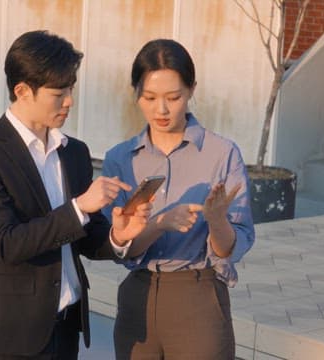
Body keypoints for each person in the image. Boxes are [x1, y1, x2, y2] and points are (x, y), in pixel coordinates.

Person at [0, 30, 151, 359]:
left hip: (65, 328)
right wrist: (79, 207)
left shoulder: (74, 153)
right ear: (22, 91)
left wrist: (117, 235)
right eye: (59, 92)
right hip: (7, 335)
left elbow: (84, 238)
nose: (69, 100)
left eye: (71, 88)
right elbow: (5, 243)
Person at [102, 39, 255, 360]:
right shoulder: (120, 158)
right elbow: (118, 248)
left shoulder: (222, 154)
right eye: (149, 97)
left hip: (198, 297)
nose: (161, 109)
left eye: (173, 97)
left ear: (191, 90)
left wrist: (216, 221)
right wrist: (158, 224)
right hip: (137, 300)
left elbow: (232, 246)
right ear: (135, 93)